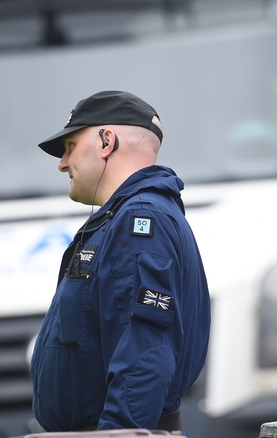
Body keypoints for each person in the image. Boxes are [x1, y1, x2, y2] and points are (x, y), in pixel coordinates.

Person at [30, 91, 211, 431]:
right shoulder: (130, 218)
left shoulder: (140, 223)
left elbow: (144, 359)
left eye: (70, 146)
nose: (62, 163)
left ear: (106, 142)